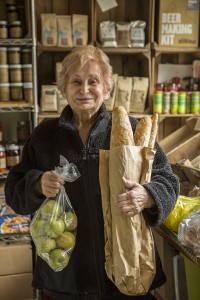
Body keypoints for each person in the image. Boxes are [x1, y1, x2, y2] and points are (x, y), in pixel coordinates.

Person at [5, 45, 179, 300]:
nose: (84, 90)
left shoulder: (131, 130)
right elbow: (13, 190)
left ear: (107, 87)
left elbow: (169, 180)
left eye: (93, 81)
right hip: (64, 277)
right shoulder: (44, 136)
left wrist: (148, 195)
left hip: (126, 271)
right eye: (76, 81)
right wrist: (36, 185)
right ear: (63, 88)